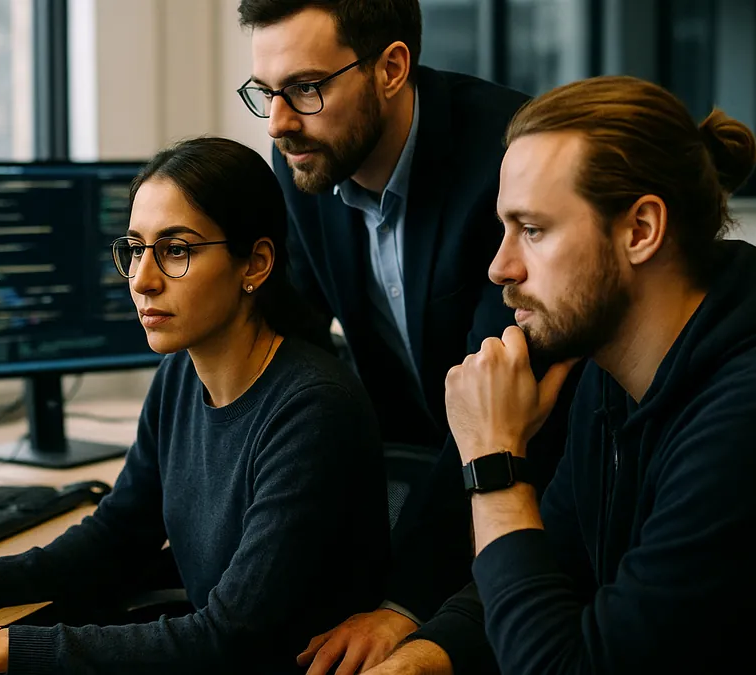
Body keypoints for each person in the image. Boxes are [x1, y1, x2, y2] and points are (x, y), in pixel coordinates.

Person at [0, 137, 391, 675]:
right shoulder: (181, 372)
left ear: (256, 264)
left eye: (176, 250)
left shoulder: (311, 411)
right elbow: (118, 536)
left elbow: (227, 638)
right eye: (134, 249)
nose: (143, 280)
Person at [367, 75, 756, 674]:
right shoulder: (608, 376)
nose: (499, 267)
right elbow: (550, 566)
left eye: (532, 230)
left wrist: (493, 464)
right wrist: (422, 657)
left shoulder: (752, 416)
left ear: (640, 230)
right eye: (504, 229)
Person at [235, 2, 575, 671]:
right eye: (267, 93)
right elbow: (290, 339)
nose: (278, 123)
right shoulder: (307, 158)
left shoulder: (506, 158)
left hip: (524, 486)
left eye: (306, 89)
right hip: (409, 465)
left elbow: (492, 403)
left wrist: (403, 603)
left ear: (391, 68)